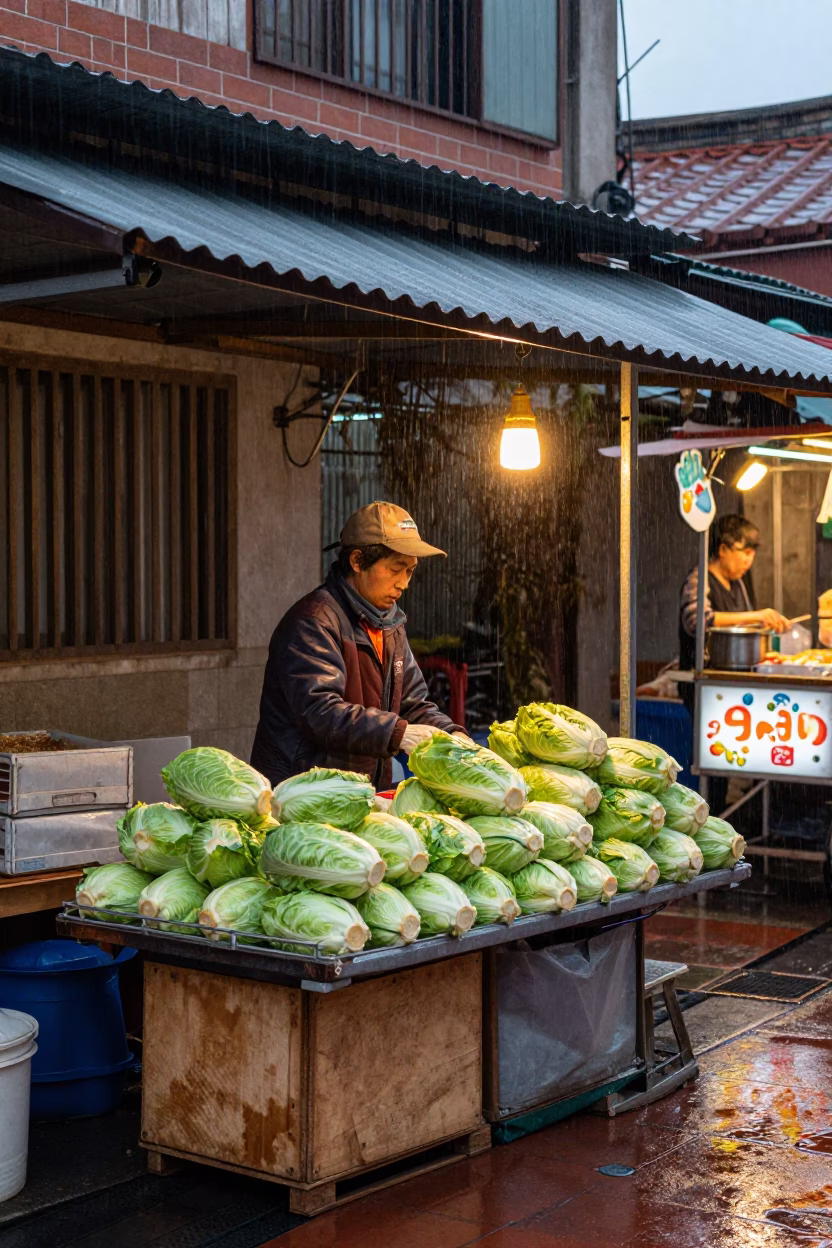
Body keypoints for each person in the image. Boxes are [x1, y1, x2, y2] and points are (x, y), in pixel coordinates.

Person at [250, 501, 471, 789]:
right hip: (302, 794)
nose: (404, 583)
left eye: (410, 571)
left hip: (359, 792)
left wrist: (453, 734)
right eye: (395, 569)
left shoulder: (391, 625)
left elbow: (413, 704)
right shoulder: (313, 622)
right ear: (357, 561)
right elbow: (321, 712)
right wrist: (397, 734)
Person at [678, 512, 788, 706]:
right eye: (745, 553)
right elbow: (696, 621)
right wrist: (757, 615)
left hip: (733, 681)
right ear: (723, 549)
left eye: (753, 554)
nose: (749, 561)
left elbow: (743, 624)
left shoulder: (737, 584)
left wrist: (763, 624)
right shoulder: (700, 578)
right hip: (704, 682)